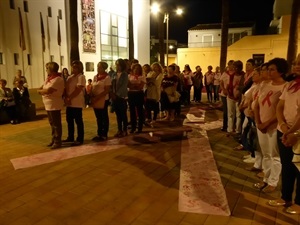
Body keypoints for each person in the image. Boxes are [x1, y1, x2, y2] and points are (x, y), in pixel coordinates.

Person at [268, 54, 300, 213]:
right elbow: (280, 106)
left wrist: (293, 132)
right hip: (285, 131)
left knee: (299, 168)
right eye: (295, 62)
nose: (296, 65)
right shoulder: (290, 85)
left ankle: (299, 202)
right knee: (287, 166)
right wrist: (283, 126)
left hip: (297, 134)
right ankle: (285, 197)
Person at [253, 57, 287, 193]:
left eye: (272, 69)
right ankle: (265, 179)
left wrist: (267, 123)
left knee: (274, 155)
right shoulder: (264, 85)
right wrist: (258, 122)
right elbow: (256, 105)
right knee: (266, 154)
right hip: (261, 125)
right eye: (268, 69)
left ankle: (273, 182)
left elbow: (281, 109)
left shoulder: (285, 87)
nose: (269, 72)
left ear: (281, 72)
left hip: (274, 126)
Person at [37, 62, 64, 149]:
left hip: (54, 104)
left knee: (56, 123)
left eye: (47, 68)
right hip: (48, 104)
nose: (46, 70)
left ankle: (57, 141)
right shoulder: (48, 79)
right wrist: (42, 91)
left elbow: (48, 90)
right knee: (52, 123)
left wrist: (42, 91)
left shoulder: (58, 79)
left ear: (51, 70)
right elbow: (41, 88)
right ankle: (53, 139)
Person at [63, 60, 86, 146]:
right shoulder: (70, 77)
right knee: (69, 120)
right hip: (69, 103)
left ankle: (80, 138)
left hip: (77, 102)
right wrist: (66, 97)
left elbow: (78, 89)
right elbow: (66, 88)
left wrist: (70, 97)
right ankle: (70, 136)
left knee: (78, 121)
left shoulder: (81, 77)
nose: (73, 68)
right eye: (73, 66)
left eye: (76, 67)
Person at [90, 61, 112, 141]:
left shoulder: (107, 77)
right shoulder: (95, 77)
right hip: (95, 99)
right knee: (98, 117)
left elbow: (106, 90)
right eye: (97, 67)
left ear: (104, 68)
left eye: (100, 67)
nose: (98, 68)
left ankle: (104, 134)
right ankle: (99, 133)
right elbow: (92, 86)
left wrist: (98, 97)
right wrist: (92, 95)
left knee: (104, 117)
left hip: (103, 99)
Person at [111, 58, 129, 138]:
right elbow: (111, 84)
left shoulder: (124, 74)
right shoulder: (114, 74)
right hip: (114, 97)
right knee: (118, 115)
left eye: (119, 65)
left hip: (121, 97)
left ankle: (125, 130)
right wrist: (112, 94)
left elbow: (123, 86)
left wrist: (117, 94)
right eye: (116, 65)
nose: (117, 66)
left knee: (123, 114)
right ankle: (119, 130)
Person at [128, 63, 146, 133]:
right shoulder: (129, 76)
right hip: (131, 94)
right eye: (135, 69)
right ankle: (133, 127)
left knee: (140, 110)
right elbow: (128, 85)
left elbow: (141, 86)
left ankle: (140, 128)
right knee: (132, 111)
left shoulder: (142, 76)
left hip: (139, 94)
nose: (136, 70)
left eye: (138, 69)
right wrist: (135, 85)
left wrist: (134, 85)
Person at [220, 60, 235, 132]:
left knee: (232, 111)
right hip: (225, 94)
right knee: (225, 111)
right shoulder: (225, 74)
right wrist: (224, 90)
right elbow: (221, 82)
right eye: (229, 65)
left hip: (232, 95)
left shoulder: (235, 74)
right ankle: (225, 126)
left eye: (232, 65)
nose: (231, 66)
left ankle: (232, 126)